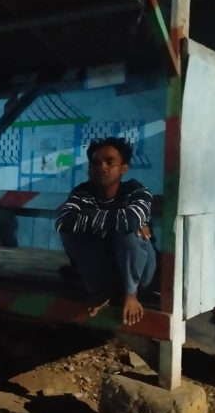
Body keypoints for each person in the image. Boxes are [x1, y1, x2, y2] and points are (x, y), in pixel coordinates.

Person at [56, 137, 156, 326]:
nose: (102, 167)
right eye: (96, 163)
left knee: (128, 233)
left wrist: (89, 218)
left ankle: (130, 295)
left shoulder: (136, 190)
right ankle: (101, 292)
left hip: (140, 272)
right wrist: (118, 220)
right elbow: (64, 221)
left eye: (110, 162)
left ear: (123, 168)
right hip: (107, 267)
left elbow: (130, 220)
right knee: (70, 232)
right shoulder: (82, 193)